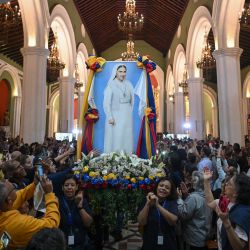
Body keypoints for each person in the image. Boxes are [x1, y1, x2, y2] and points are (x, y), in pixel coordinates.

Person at [0, 177, 60, 249]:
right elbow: (51, 226)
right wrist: (49, 195)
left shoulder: (3, 205)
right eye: (14, 187)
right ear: (9, 201)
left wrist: (35, 184)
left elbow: (20, 195)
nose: (6, 180)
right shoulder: (17, 224)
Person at [204, 170, 250, 250]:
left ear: (236, 193)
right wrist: (206, 181)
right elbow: (210, 202)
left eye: (229, 184)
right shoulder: (225, 202)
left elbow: (239, 247)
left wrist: (226, 223)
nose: (225, 184)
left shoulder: (243, 213)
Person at [138, 177, 178, 250]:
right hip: (150, 243)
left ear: (170, 192)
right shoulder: (148, 199)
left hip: (167, 243)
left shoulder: (172, 202)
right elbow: (141, 222)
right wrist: (147, 204)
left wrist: (157, 205)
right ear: (157, 187)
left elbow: (173, 221)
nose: (163, 188)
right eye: (161, 185)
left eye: (167, 187)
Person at [103, 64, 134, 154]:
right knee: (117, 136)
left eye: (124, 72)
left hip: (127, 114)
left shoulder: (129, 84)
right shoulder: (111, 85)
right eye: (120, 71)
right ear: (115, 72)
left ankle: (127, 156)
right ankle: (115, 157)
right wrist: (110, 117)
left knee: (126, 135)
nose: (123, 74)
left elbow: (132, 100)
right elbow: (106, 103)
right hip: (115, 115)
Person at [177, 171, 212, 250]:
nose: (191, 181)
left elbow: (183, 214)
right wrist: (187, 195)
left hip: (194, 239)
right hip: (204, 236)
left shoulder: (193, 198)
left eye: (193, 180)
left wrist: (179, 199)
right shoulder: (209, 196)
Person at [59, 174, 93, 250]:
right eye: (66, 185)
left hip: (81, 244)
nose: (69, 188)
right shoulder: (57, 202)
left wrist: (80, 207)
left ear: (77, 187)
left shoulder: (82, 200)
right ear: (62, 187)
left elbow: (88, 224)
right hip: (63, 245)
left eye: (72, 185)